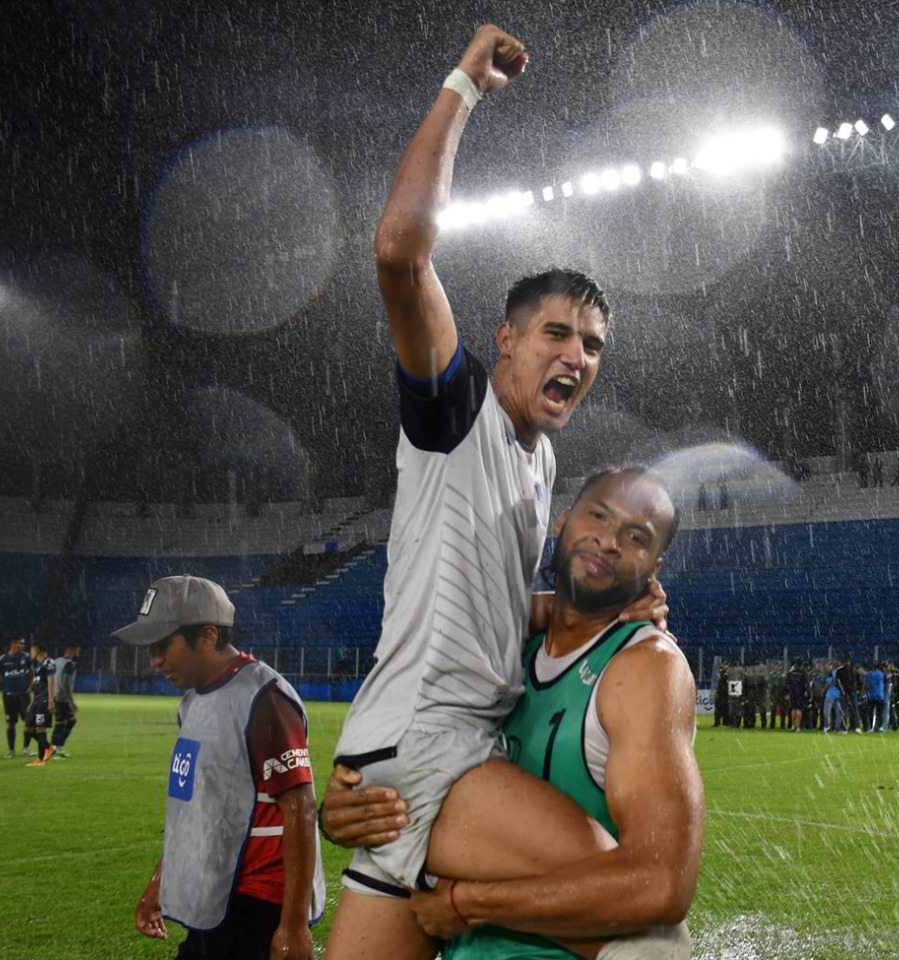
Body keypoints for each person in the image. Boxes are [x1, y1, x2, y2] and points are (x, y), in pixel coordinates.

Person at [320, 24, 668, 960]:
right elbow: (398, 251)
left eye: (592, 345)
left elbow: (493, 605)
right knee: (631, 913)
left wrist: (597, 608)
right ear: (504, 340)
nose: (576, 356)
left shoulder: (539, 460)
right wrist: (464, 87)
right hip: (435, 748)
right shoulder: (460, 406)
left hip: (398, 756)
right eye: (556, 332)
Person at [323, 467, 703, 959]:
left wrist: (471, 903)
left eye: (635, 537)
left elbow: (661, 884)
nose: (609, 540)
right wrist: (339, 813)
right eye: (598, 516)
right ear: (561, 522)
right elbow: (414, 769)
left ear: (654, 567)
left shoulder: (646, 669)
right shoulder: (498, 655)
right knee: (378, 854)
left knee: (656, 950)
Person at [117, 575, 324, 960]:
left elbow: (301, 809)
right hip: (215, 896)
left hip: (254, 906)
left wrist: (293, 927)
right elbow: (192, 808)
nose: (154, 659)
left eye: (163, 645)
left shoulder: (265, 700)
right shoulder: (193, 702)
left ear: (208, 636)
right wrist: (159, 883)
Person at [0, 636, 31, 757]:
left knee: (29, 722)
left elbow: (32, 673)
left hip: (23, 695)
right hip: (8, 696)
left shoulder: (26, 657)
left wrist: (30, 688)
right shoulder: (1, 660)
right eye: (20, 643)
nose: (23, 646)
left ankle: (26, 747)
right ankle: (11, 750)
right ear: (13, 644)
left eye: (23, 643)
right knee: (11, 723)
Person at [22, 642, 55, 765]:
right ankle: (50, 747)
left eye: (32, 651)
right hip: (37, 701)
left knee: (40, 729)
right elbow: (37, 686)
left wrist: (51, 701)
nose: (30, 654)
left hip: (44, 701)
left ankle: (41, 759)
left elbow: (51, 682)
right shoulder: (38, 666)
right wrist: (32, 702)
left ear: (37, 651)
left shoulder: (48, 663)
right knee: (29, 728)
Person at [47, 643, 81, 759]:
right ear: (73, 650)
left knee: (60, 723)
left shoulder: (56, 661)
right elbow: (66, 682)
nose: (78, 653)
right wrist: (71, 701)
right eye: (77, 650)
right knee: (69, 721)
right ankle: (57, 748)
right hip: (63, 698)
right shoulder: (69, 664)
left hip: (55, 696)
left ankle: (57, 749)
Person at [786, 658, 808, 732]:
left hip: (792, 693)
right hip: (800, 693)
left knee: (793, 709)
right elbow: (806, 685)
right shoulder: (803, 673)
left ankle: (793, 725)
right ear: (802, 664)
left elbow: (787, 684)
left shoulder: (790, 673)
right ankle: (797, 727)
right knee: (799, 710)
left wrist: (788, 693)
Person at [886, 659, 899, 732]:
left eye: (888, 665)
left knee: (894, 709)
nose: (887, 667)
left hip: (893, 694)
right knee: (896, 710)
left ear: (891, 664)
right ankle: (898, 724)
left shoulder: (891, 673)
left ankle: (894, 724)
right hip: (896, 694)